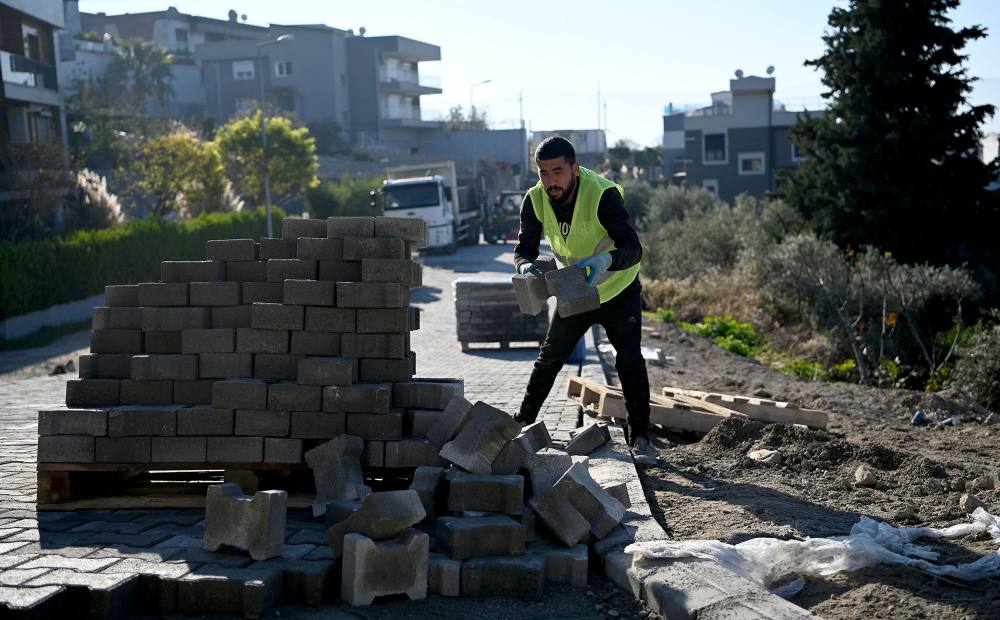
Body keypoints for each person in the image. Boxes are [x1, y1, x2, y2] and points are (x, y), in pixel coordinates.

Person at [513, 136, 656, 465]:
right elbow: (524, 250)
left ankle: (641, 439)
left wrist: (607, 261)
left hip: (617, 288)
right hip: (575, 290)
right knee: (550, 357)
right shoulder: (534, 199)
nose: (551, 181)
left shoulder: (602, 194)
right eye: (543, 172)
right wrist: (525, 267)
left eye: (558, 171)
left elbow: (633, 248)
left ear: (574, 168)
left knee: (629, 361)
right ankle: (521, 423)